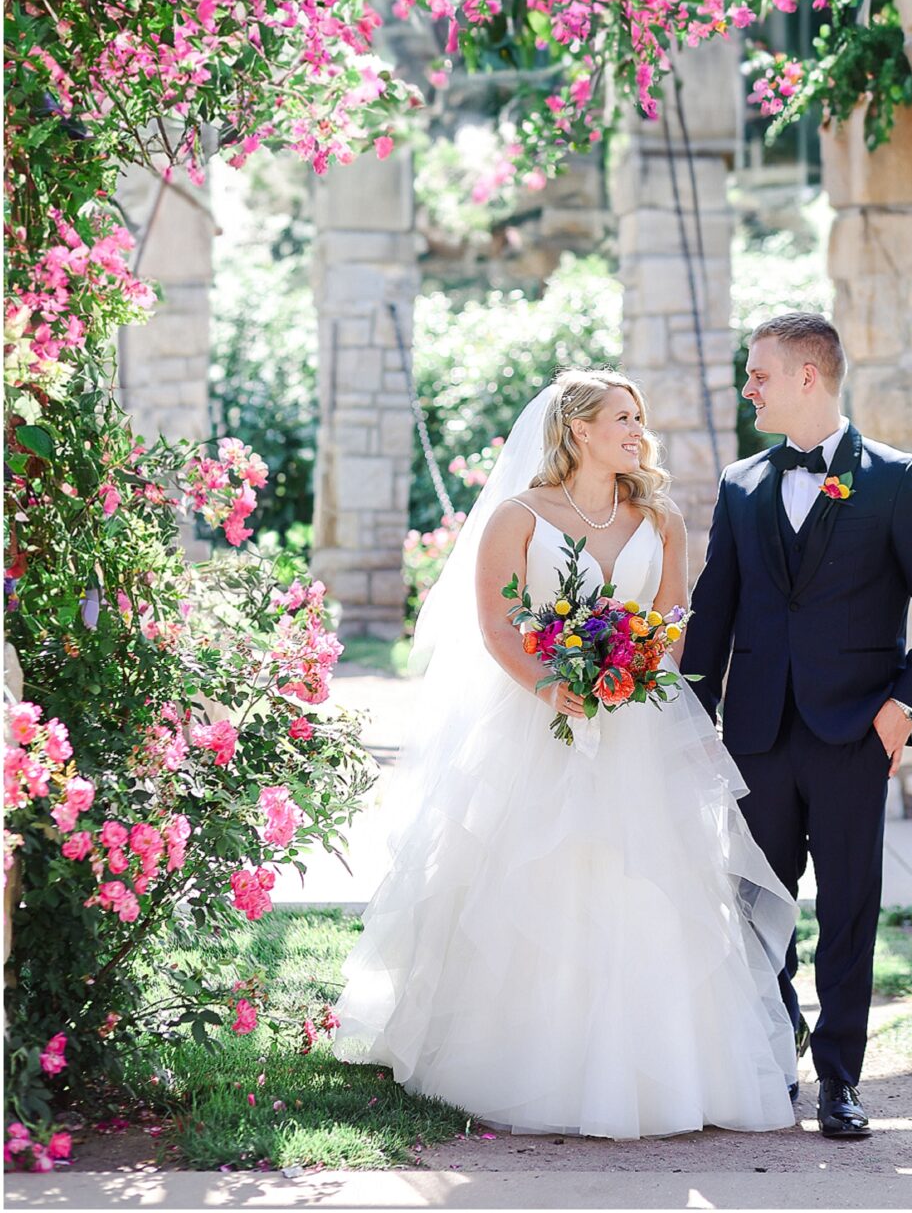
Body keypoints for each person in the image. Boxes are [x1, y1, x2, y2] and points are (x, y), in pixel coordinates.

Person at [332, 369, 801, 1138]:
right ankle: (526, 1060)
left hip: (638, 727)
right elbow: (493, 623)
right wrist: (552, 687)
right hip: (540, 725)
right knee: (539, 879)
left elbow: (673, 621)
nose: (635, 431)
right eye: (622, 417)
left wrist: (637, 667)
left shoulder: (660, 519)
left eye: (638, 418)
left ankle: (663, 1070)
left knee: (645, 882)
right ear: (577, 428)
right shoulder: (519, 514)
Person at [680, 314, 912, 1140]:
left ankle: (841, 1079)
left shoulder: (895, 478)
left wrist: (901, 706)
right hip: (758, 734)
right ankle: (773, 1056)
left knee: (849, 908)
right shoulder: (740, 484)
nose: (748, 388)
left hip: (854, 734)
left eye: (759, 374)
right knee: (758, 904)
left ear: (809, 375)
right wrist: (696, 722)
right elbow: (713, 613)